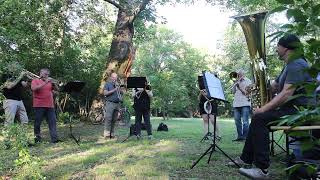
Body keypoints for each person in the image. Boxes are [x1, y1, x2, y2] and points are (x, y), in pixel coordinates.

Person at [228, 34, 316, 179]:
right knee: (258, 119)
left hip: (300, 113)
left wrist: (262, 109)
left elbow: (286, 93)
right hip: (292, 111)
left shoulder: (297, 64)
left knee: (260, 117)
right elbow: (275, 86)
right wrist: (255, 86)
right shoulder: (289, 65)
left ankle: (262, 169)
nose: (276, 49)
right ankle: (245, 159)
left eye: (278, 46)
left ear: (286, 48)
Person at [31, 68, 60, 143]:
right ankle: (37, 139)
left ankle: (54, 139)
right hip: (39, 105)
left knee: (52, 122)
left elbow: (57, 90)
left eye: (47, 74)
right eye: (45, 74)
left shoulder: (50, 82)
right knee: (37, 123)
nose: (46, 76)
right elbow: (34, 88)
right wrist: (45, 82)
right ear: (40, 73)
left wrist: (54, 84)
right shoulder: (35, 80)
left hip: (50, 105)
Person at [2, 70, 29, 148]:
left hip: (19, 101)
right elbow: (10, 86)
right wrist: (21, 75)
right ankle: (6, 143)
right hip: (10, 101)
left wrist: (27, 78)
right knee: (9, 122)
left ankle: (23, 141)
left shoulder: (18, 77)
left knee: (25, 121)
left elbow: (25, 85)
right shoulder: (5, 76)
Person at [231, 69, 252, 141]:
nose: (238, 75)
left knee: (245, 121)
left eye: (239, 74)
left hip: (245, 103)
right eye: (237, 74)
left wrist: (239, 87)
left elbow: (247, 93)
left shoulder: (248, 81)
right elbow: (233, 92)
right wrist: (235, 85)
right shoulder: (236, 81)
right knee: (237, 121)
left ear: (243, 74)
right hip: (236, 104)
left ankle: (245, 137)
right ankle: (240, 136)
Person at [103, 72, 123, 138]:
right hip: (110, 103)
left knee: (114, 119)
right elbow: (105, 93)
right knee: (108, 118)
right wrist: (114, 89)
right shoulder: (107, 84)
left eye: (116, 78)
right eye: (113, 77)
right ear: (111, 77)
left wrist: (120, 89)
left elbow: (121, 93)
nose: (115, 79)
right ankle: (106, 134)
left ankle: (112, 133)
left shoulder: (117, 85)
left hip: (117, 104)